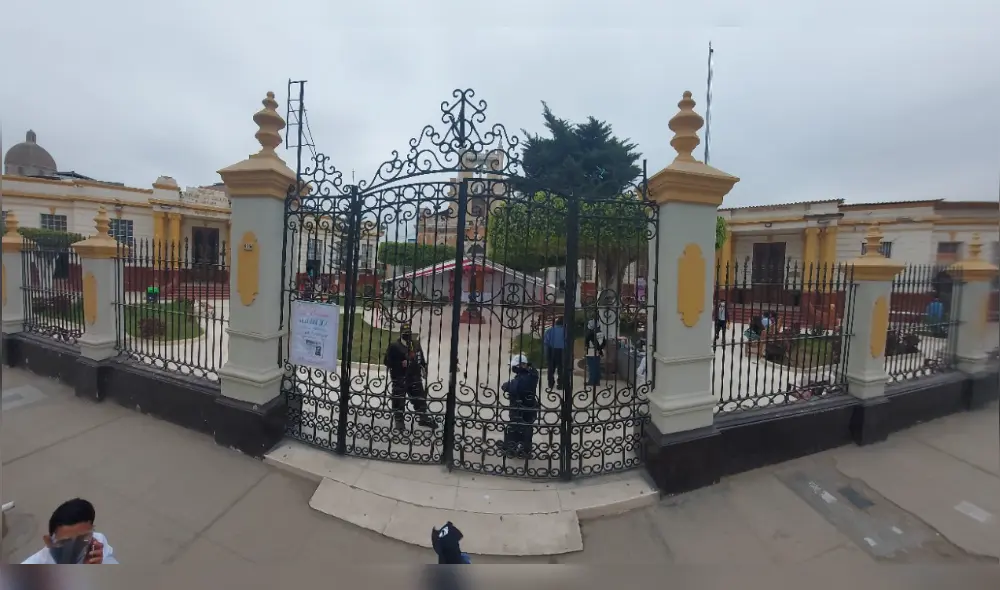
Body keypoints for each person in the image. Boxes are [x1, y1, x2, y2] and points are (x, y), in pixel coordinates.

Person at [21, 498, 118, 564]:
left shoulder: (98, 543)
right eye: (65, 542)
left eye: (83, 538)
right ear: (49, 542)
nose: (75, 548)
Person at [384, 322, 436, 431]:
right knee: (399, 399)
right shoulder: (394, 346)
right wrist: (399, 363)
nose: (407, 335)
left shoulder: (416, 344)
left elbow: (420, 357)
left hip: (415, 376)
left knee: (419, 398)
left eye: (409, 333)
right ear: (401, 333)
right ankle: (399, 421)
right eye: (405, 333)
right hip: (400, 377)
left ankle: (423, 417)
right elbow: (387, 362)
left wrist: (424, 367)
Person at [500, 354, 539, 459]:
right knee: (520, 428)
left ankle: (516, 449)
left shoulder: (526, 377)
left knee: (518, 428)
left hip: (522, 407)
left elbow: (511, 386)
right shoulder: (530, 374)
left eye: (515, 366)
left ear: (522, 365)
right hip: (525, 406)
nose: (513, 369)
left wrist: (507, 385)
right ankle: (517, 448)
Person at [542, 316, 566, 390]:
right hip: (562, 351)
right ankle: (560, 384)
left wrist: (546, 355)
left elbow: (546, 343)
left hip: (552, 350)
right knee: (561, 368)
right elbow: (568, 342)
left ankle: (551, 383)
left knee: (551, 368)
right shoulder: (565, 331)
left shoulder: (550, 331)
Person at [584, 319, 605, 386]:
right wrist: (600, 349)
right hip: (598, 352)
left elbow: (586, 343)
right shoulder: (601, 333)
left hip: (591, 351)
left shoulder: (590, 333)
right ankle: (597, 381)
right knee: (597, 367)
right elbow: (604, 343)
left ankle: (591, 381)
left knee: (592, 368)